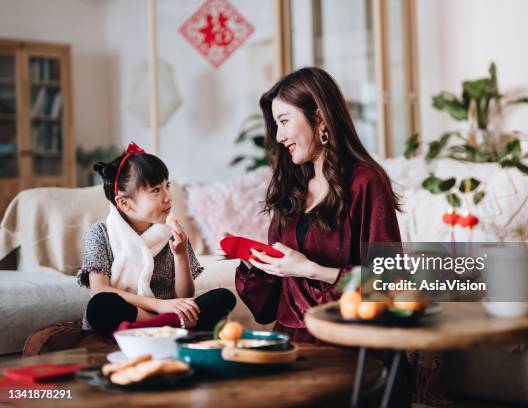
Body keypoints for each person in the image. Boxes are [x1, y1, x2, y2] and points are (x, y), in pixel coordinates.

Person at [216, 67, 401, 342]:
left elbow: (389, 282)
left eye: (284, 121)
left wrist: (310, 269)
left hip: (350, 336)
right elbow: (268, 306)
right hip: (291, 339)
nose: (279, 136)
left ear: (320, 117)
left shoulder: (365, 182)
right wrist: (256, 259)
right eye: (276, 125)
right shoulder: (291, 188)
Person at [77, 142, 235, 337]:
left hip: (166, 310)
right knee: (100, 306)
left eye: (166, 186)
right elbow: (100, 290)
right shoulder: (100, 233)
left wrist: (180, 254)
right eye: (155, 190)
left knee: (224, 297)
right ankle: (171, 324)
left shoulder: (173, 232)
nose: (168, 197)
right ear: (124, 203)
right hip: (133, 311)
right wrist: (160, 306)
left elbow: (184, 297)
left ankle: (154, 327)